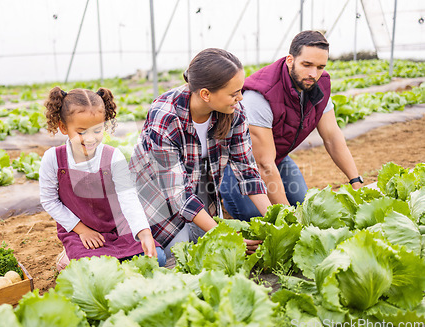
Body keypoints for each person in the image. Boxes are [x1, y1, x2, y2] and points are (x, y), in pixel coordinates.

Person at [128, 48, 272, 258]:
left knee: (206, 247)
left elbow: (247, 171)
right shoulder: (166, 116)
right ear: (205, 94)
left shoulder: (234, 111)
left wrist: (275, 219)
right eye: (234, 93)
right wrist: (224, 236)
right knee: (178, 252)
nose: (240, 98)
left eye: (241, 90)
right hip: (155, 193)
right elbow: (178, 193)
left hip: (199, 184)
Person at [221, 30, 363, 222]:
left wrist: (356, 181)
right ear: (290, 60)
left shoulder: (319, 85)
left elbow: (332, 137)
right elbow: (263, 165)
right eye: (307, 65)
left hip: (276, 157)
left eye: (320, 67)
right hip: (236, 165)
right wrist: (289, 220)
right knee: (259, 216)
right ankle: (223, 196)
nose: (313, 74)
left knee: (304, 206)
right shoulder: (260, 96)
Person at [39, 87, 166, 270]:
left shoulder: (113, 156)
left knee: (158, 259)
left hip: (118, 228)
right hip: (80, 231)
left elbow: (128, 198)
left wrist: (144, 232)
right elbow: (49, 200)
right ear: (63, 127)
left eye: (97, 130)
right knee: (92, 271)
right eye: (81, 132)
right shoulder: (53, 159)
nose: (90, 139)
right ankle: (68, 254)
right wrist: (82, 230)